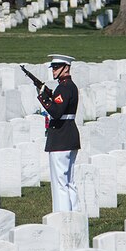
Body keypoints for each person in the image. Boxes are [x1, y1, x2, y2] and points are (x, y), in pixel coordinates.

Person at [38, 54, 80, 211]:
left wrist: (43, 97)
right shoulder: (69, 86)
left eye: (57, 67)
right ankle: (75, 215)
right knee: (69, 181)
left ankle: (63, 218)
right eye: (53, 67)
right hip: (69, 136)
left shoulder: (64, 87)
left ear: (66, 68)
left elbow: (56, 112)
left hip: (61, 138)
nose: (54, 70)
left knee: (60, 183)